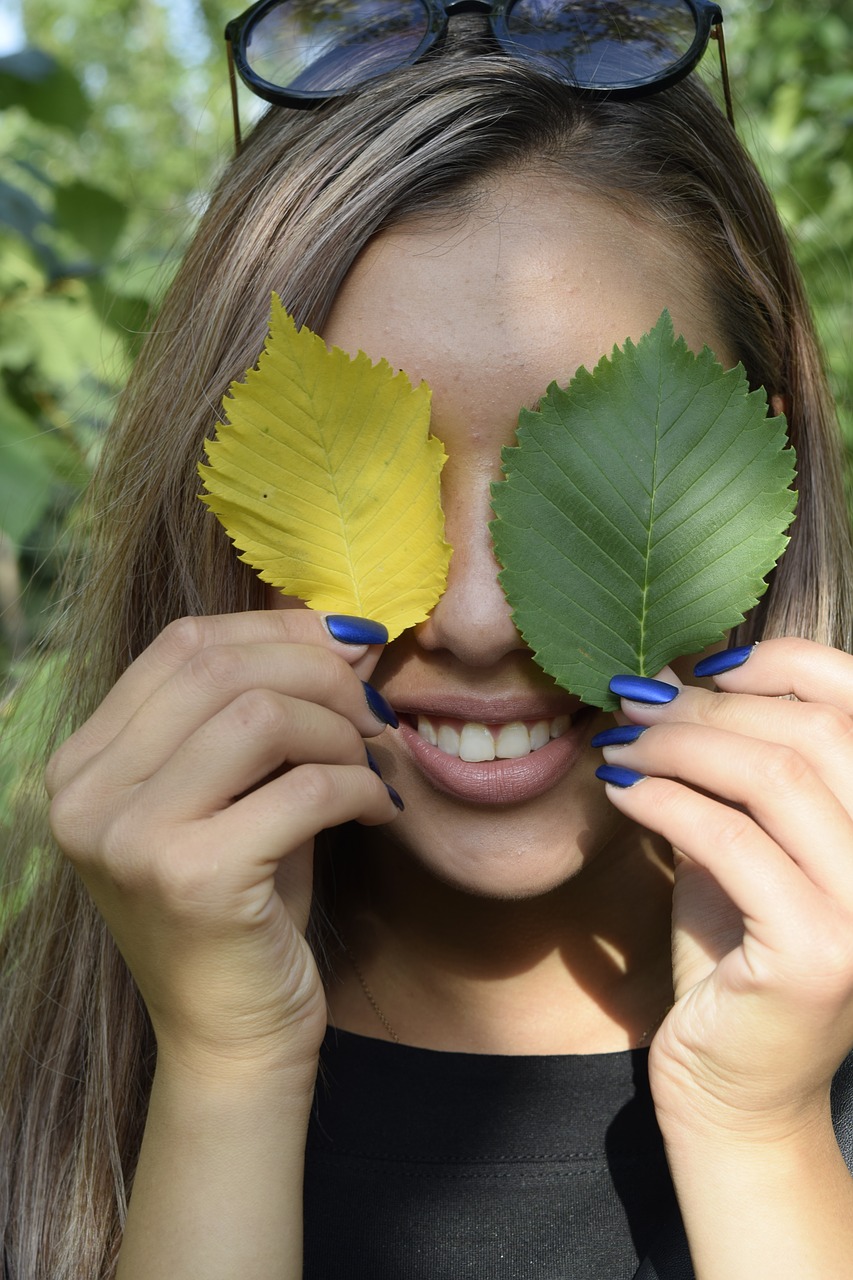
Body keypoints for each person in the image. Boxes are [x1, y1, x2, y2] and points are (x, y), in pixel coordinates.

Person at [2, 2, 853, 1277]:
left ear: (757, 465)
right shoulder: (41, 1103)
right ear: (217, 499)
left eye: (587, 482)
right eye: (383, 478)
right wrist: (226, 1067)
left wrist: (759, 1128)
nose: (472, 620)